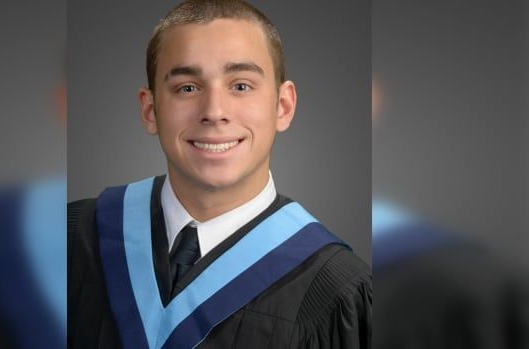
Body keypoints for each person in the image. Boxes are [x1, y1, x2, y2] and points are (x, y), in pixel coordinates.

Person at [68, 1, 371, 348]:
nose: (214, 112)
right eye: (187, 87)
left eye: (241, 86)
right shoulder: (69, 240)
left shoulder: (337, 291)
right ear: (150, 110)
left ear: (283, 106)